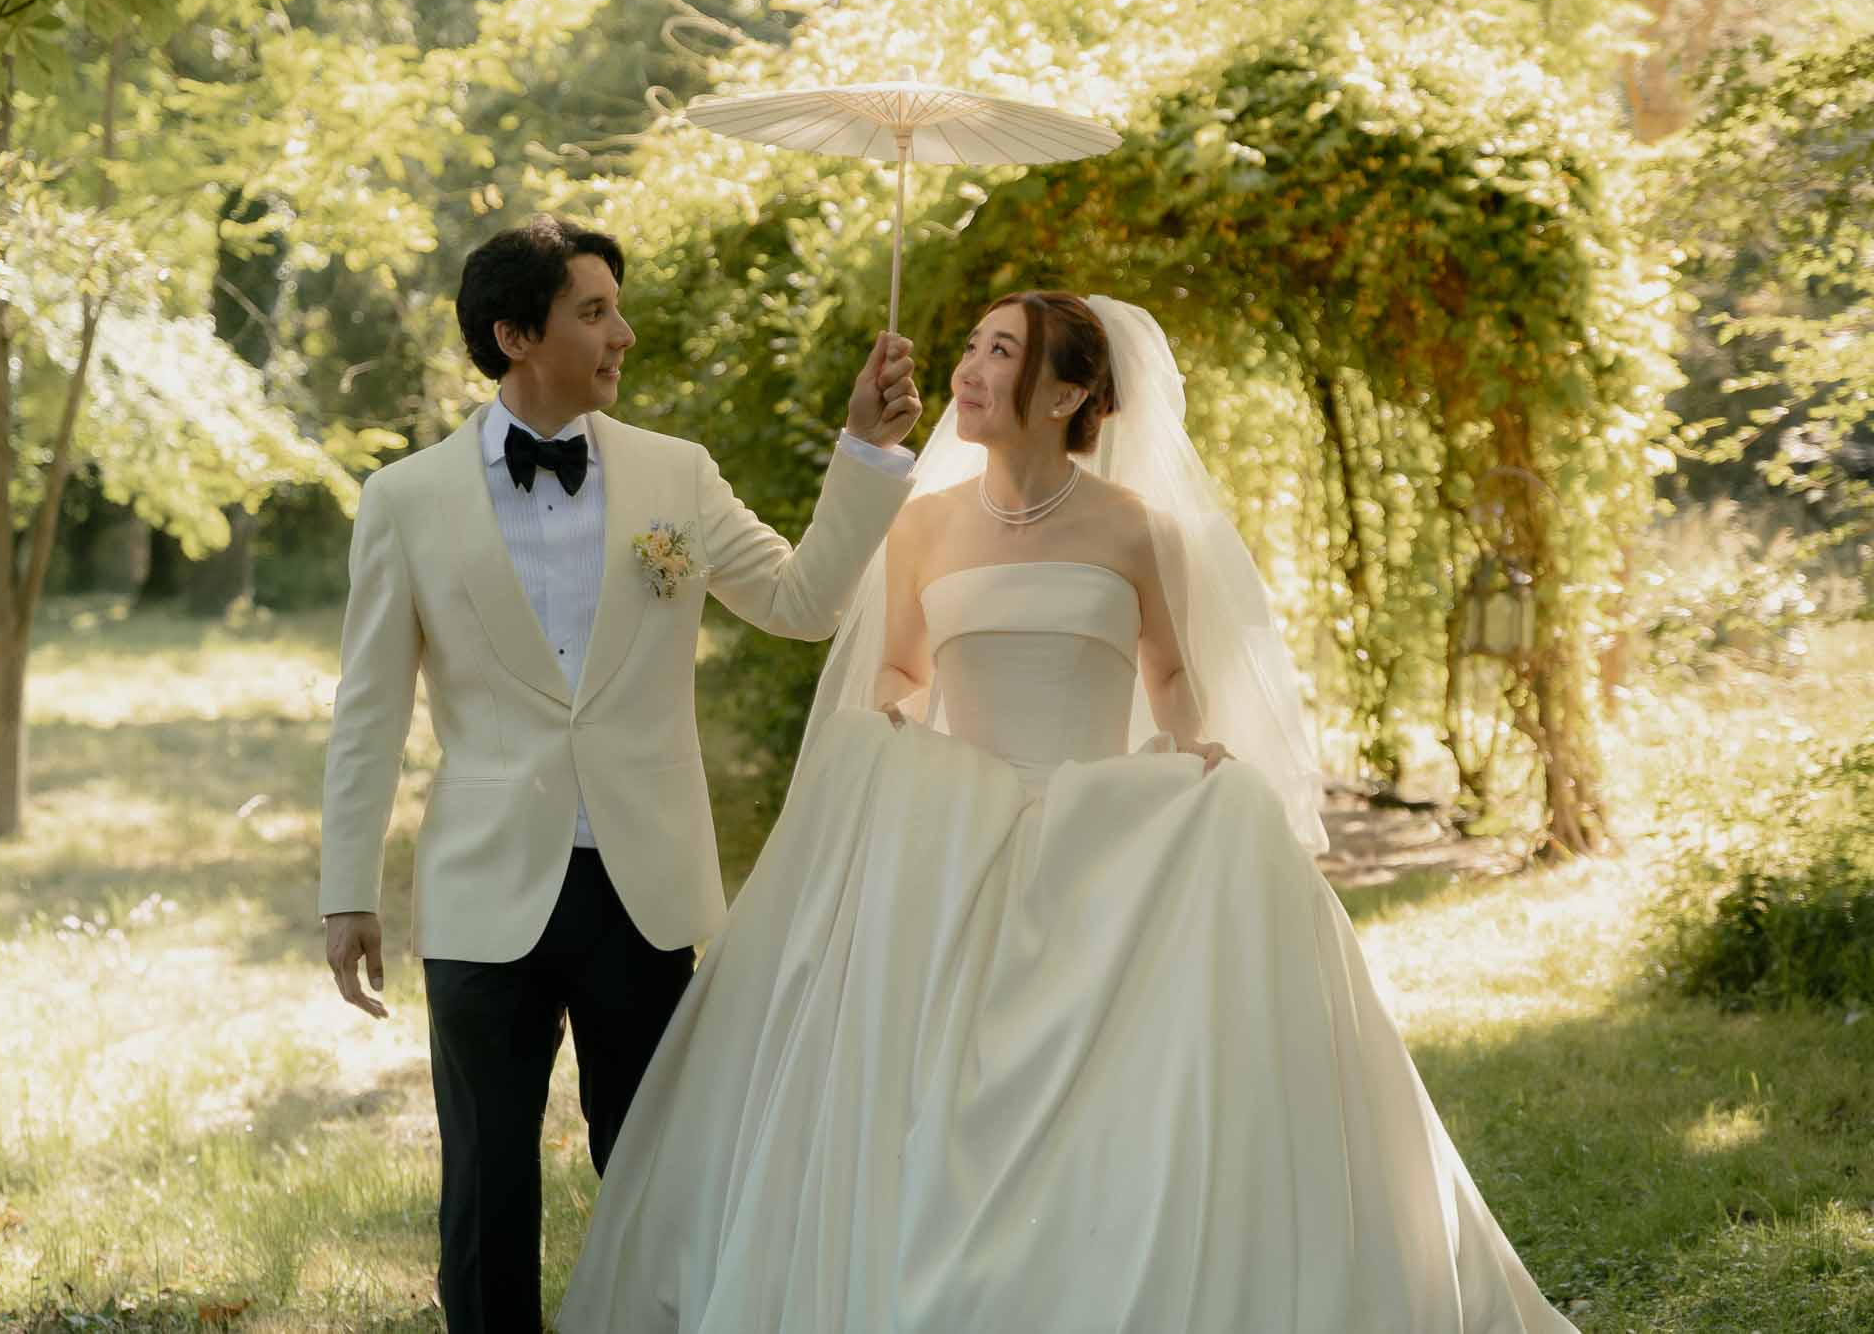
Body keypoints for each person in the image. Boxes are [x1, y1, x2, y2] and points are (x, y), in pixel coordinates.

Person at [557, 292, 1579, 1333]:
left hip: (1097, 828)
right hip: (955, 824)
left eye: (1001, 351)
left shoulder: (1134, 527)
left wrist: (1190, 744)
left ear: (1066, 395)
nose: (968, 368)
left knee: (1160, 981)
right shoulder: (921, 525)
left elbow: (1168, 670)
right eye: (970, 345)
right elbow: (900, 666)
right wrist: (885, 725)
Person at [317, 214, 921, 1334]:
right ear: (515, 336)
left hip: (641, 885)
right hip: (484, 886)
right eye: (593, 312)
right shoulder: (404, 499)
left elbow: (802, 602)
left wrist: (867, 452)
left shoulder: (675, 475)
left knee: (660, 1176)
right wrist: (346, 887)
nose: (623, 335)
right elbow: (369, 709)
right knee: (486, 1185)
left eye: (616, 309)